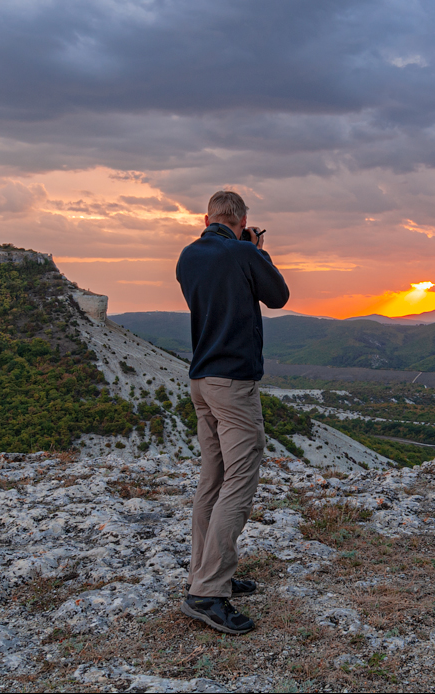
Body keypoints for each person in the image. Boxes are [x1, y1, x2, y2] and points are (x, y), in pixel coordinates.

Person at [175, 189, 289, 634]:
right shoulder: (244, 253)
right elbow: (277, 296)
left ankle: (204, 573)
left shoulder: (188, 256)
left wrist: (245, 249)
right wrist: (257, 250)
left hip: (201, 380)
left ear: (206, 220)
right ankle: (208, 592)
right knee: (239, 480)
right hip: (233, 384)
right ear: (242, 222)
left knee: (213, 479)